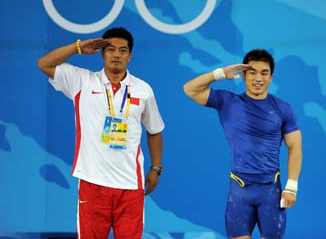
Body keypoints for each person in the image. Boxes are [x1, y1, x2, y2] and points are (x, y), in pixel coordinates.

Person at [37, 27, 165, 239]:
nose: (116, 54)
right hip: (93, 183)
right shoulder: (81, 81)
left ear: (130, 56)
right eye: (111, 49)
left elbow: (155, 130)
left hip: (130, 185)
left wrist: (156, 168)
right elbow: (44, 64)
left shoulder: (143, 90)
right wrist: (77, 47)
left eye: (123, 50)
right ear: (102, 53)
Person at [183, 49, 302, 239]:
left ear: (271, 77)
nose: (258, 78)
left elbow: (295, 147)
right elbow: (189, 89)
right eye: (252, 72)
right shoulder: (227, 102)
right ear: (243, 75)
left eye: (264, 73)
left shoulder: (283, 108)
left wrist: (291, 187)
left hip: (271, 190)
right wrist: (220, 73)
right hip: (239, 191)